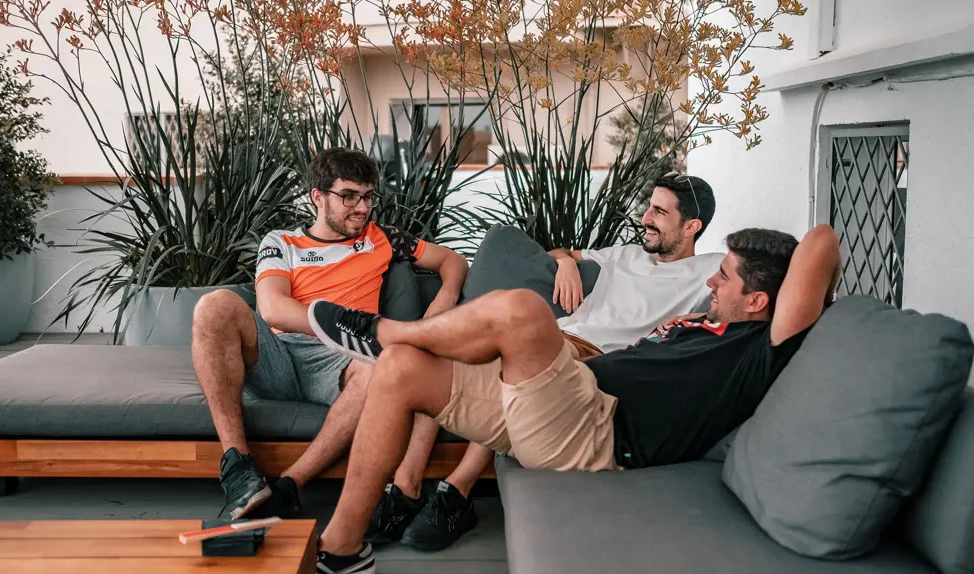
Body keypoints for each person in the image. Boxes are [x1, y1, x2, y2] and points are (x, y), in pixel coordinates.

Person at [304, 223, 842, 573]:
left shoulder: (760, 348)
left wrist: (785, 262)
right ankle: (342, 548)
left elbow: (822, 240)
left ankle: (386, 331)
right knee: (399, 371)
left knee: (523, 311)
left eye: (724, 279)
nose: (712, 286)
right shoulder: (713, 325)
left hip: (594, 434)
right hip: (564, 403)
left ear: (759, 300)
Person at [363, 173, 726, 552]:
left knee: (508, 368)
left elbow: (753, 290)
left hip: (598, 359)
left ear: (691, 227)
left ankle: (457, 491)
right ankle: (406, 488)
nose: (646, 217)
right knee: (444, 357)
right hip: (557, 335)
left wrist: (695, 322)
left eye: (659, 212)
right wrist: (567, 262)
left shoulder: (708, 272)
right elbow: (562, 252)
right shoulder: (627, 254)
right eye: (649, 207)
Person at [190, 147, 470, 520]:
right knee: (214, 305)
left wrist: (445, 299)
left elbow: (452, 259)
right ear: (318, 197)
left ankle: (290, 485)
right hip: (279, 353)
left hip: (344, 360)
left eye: (368, 196)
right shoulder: (282, 242)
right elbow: (273, 309)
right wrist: (351, 324)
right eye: (349, 196)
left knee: (378, 371)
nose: (362, 207)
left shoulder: (381, 237)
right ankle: (238, 467)